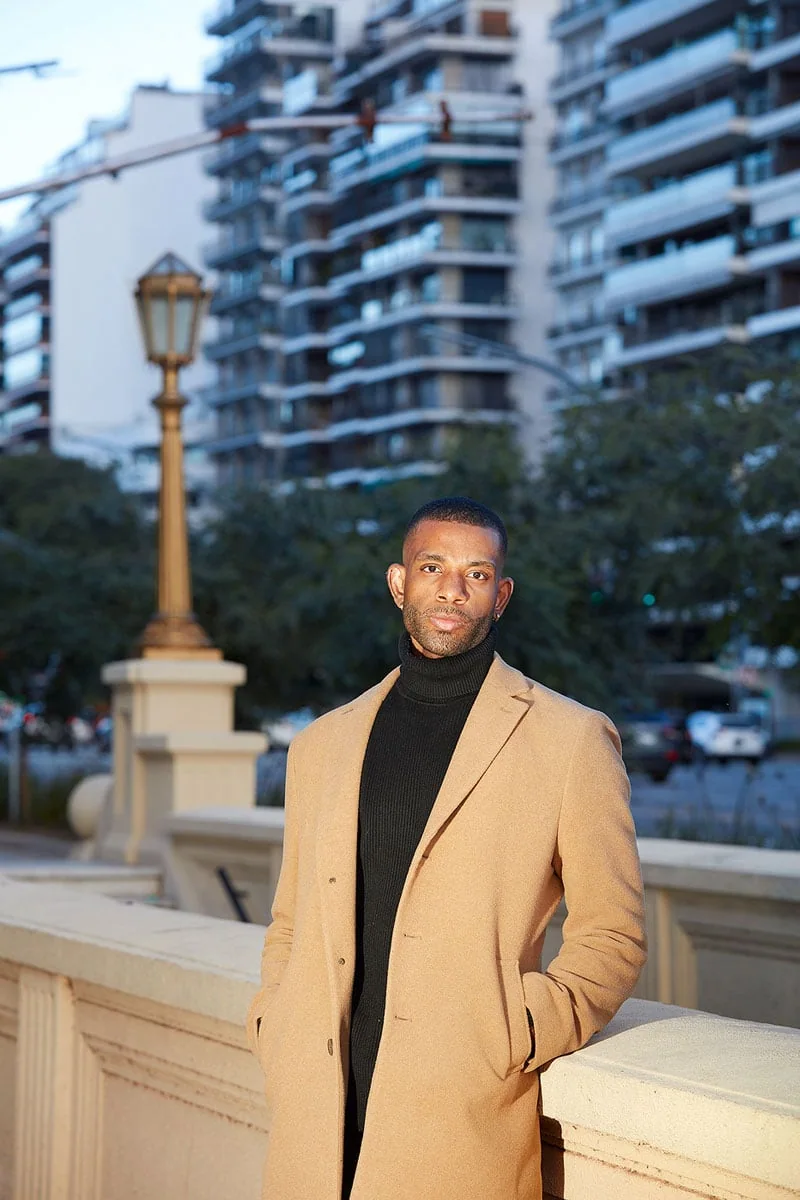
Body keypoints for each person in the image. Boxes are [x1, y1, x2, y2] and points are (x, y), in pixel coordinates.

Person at [247, 496, 647, 1200]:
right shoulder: (322, 745)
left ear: (502, 595)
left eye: (477, 573)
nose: (453, 589)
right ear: (399, 582)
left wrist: (517, 1030)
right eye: (433, 567)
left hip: (461, 1116)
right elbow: (290, 919)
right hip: (315, 1111)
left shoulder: (570, 740)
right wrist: (273, 1022)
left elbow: (612, 932)